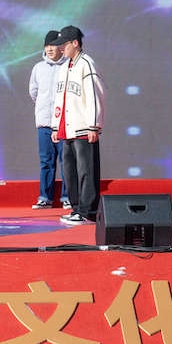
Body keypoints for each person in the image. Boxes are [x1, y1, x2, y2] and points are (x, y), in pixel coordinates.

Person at [50, 25, 105, 225]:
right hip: (66, 129)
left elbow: (95, 95)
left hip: (83, 127)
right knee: (70, 171)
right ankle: (76, 208)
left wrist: (93, 125)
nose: (60, 48)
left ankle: (88, 212)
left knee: (86, 171)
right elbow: (59, 98)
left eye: (63, 45)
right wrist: (55, 125)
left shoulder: (87, 64)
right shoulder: (64, 67)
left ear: (75, 43)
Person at [28, 31, 70, 210]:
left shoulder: (69, 66)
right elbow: (34, 92)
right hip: (44, 123)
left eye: (53, 45)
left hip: (64, 123)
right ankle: (45, 198)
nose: (50, 49)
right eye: (47, 45)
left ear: (61, 47)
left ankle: (67, 197)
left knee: (66, 161)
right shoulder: (38, 68)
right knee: (46, 161)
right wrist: (44, 108)